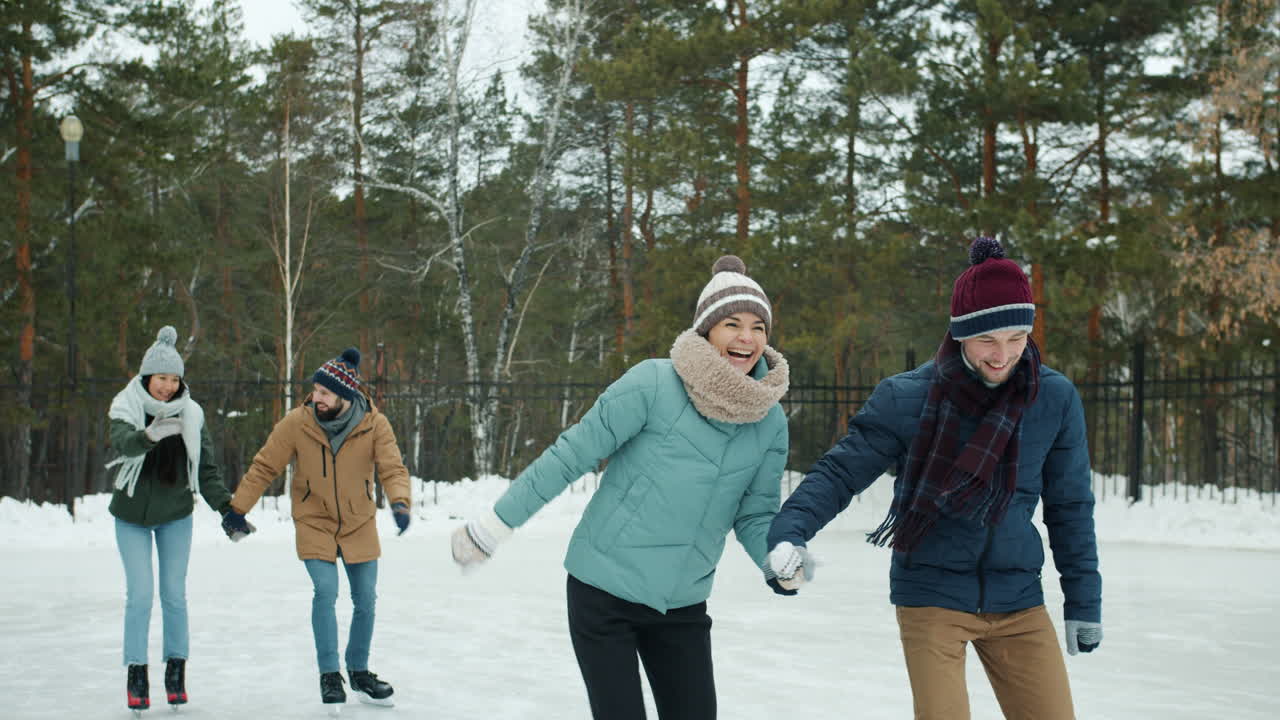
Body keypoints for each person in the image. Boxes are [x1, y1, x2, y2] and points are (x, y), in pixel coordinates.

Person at [767, 237, 1102, 720]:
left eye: (1016, 337)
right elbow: (840, 473)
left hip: (1018, 599)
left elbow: (1070, 505)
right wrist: (789, 532)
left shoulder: (1052, 398)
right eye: (987, 339)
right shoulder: (908, 397)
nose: (1002, 355)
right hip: (932, 595)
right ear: (960, 333)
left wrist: (1083, 600)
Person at [451, 255, 791, 720]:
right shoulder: (654, 383)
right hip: (604, 592)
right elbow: (571, 455)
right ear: (707, 330)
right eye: (732, 323)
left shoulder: (769, 420)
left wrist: (778, 557)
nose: (746, 338)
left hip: (683, 603)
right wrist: (494, 525)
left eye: (758, 327)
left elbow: (756, 513)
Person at [223, 347, 412, 710]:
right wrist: (237, 509)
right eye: (316, 391)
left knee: (366, 600)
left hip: (358, 521)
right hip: (314, 519)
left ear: (345, 394)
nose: (316, 398)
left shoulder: (375, 424)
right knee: (325, 592)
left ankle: (358, 670)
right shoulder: (298, 422)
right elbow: (265, 466)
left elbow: (392, 468)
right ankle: (329, 674)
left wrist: (400, 502)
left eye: (325, 393)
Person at [106, 325, 248, 713]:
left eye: (174, 379)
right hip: (131, 516)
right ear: (146, 377)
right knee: (139, 595)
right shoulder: (126, 405)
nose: (167, 387)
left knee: (173, 594)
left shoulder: (192, 414)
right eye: (161, 378)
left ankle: (176, 669)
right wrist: (148, 437)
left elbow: (206, 470)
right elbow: (121, 441)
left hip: (175, 515)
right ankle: (137, 671)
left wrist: (228, 510)